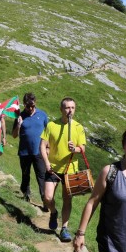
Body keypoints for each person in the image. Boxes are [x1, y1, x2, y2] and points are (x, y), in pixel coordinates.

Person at [40, 97, 86, 242]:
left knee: (67, 199)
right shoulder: (51, 125)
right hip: (52, 168)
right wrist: (46, 162)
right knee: (47, 197)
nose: (70, 110)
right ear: (61, 109)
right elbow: (42, 145)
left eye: (72, 108)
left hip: (70, 169)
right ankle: (53, 212)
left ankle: (64, 228)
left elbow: (83, 148)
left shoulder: (78, 127)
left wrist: (76, 149)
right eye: (67, 108)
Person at [12, 92, 48, 204]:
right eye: (28, 106)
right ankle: (26, 194)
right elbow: (14, 135)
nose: (31, 108)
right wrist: (18, 125)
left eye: (32, 106)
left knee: (41, 176)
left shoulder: (42, 115)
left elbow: (48, 133)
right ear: (24, 104)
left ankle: (45, 199)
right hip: (24, 152)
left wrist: (48, 148)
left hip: (39, 152)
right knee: (25, 174)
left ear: (35, 103)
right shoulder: (20, 116)